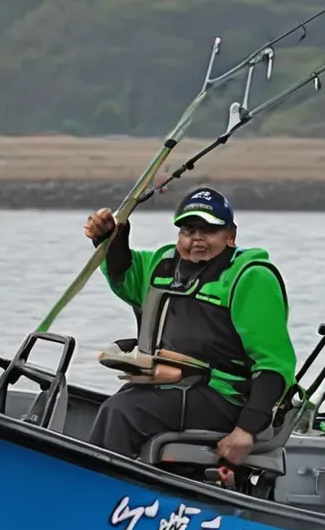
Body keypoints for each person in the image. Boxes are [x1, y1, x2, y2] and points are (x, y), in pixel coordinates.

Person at [83, 186, 297, 465]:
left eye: (209, 231)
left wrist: (245, 430)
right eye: (188, 230)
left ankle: (101, 490)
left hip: (224, 397)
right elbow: (126, 272)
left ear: (230, 235)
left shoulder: (251, 278)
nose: (197, 238)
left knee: (122, 411)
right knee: (117, 404)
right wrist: (111, 238)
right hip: (171, 386)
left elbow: (274, 365)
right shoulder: (163, 264)